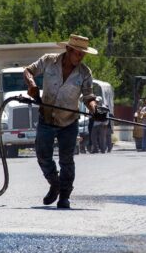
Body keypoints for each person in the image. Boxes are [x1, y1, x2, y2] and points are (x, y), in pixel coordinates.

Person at [23, 34, 107, 209]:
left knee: (66, 160)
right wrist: (31, 85)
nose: (80, 57)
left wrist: (94, 110)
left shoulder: (85, 72)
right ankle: (55, 184)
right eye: (78, 53)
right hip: (46, 117)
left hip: (69, 122)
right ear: (68, 49)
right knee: (43, 155)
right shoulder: (48, 61)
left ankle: (65, 196)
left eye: (83, 54)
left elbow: (88, 96)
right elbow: (28, 71)